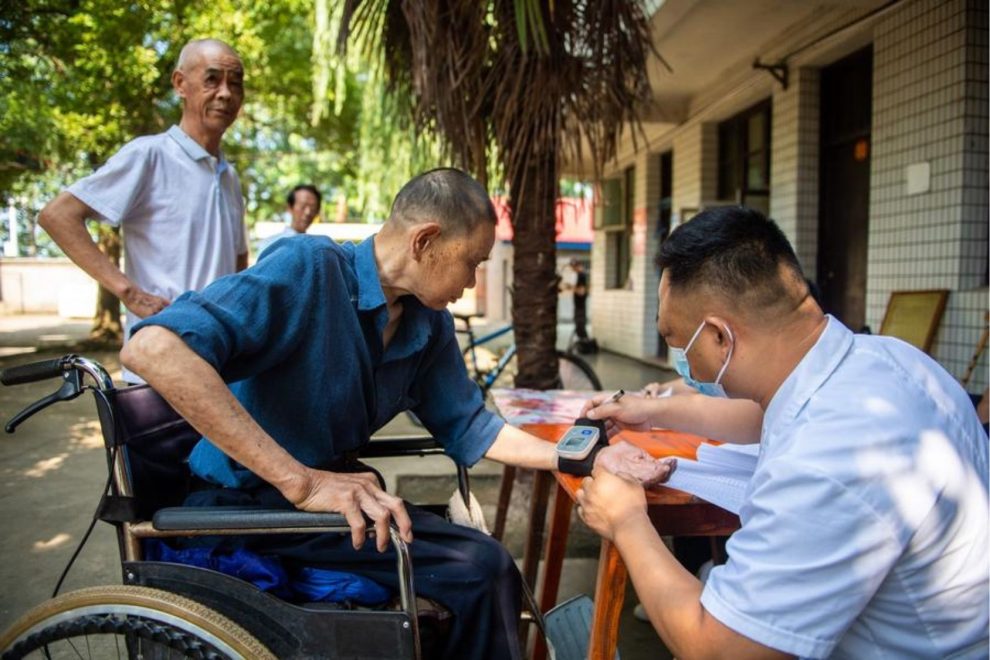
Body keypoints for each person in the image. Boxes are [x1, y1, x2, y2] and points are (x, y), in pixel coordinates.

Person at [120, 168, 663, 660]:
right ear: (426, 240)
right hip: (245, 507)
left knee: (485, 560)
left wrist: (584, 459)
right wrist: (303, 483)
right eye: (471, 263)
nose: (473, 282)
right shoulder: (308, 269)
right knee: (480, 568)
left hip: (329, 509)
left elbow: (472, 427)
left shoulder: (427, 326)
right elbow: (153, 350)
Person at [577, 206, 989, 658]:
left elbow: (718, 648)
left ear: (719, 337)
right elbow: (766, 416)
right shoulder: (887, 358)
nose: (681, 360)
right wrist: (652, 411)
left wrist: (627, 521)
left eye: (676, 341)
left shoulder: (825, 459)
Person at [38, 38, 248, 382]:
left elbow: (238, 263)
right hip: (159, 368)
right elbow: (57, 216)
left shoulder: (230, 176)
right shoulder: (150, 156)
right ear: (181, 84)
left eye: (235, 82)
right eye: (212, 79)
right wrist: (129, 293)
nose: (225, 93)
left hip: (221, 366)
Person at [257, 184, 322, 254]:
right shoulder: (271, 245)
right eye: (303, 206)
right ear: (290, 207)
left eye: (313, 208)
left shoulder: (316, 249)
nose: (308, 212)